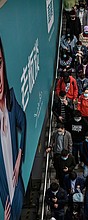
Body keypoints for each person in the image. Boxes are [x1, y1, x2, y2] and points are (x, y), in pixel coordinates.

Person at [0, 38, 26, 219]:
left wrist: (19, 156)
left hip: (16, 189)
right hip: (6, 196)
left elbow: (23, 121)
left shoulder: (11, 100)